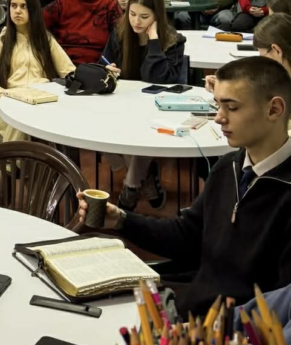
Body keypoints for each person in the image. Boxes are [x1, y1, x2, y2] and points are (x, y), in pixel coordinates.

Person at [76, 57, 291, 316]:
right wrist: (121, 220)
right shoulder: (228, 167)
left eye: (232, 107)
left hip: (235, 339)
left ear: (274, 110)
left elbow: (280, 307)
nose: (219, 118)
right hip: (191, 313)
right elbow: (187, 236)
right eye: (218, 106)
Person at [102, 0, 187, 210]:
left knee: (137, 136)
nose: (136, 21)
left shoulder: (173, 40)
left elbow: (158, 79)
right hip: (121, 103)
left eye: (144, 16)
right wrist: (108, 68)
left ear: (157, 15)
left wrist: (154, 42)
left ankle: (131, 186)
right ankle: (146, 175)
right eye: (132, 14)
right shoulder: (120, 33)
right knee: (98, 130)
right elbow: (105, 62)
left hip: (155, 107)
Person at [0, 0, 74, 141]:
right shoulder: (0, 42)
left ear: (33, 10)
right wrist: (7, 96)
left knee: (37, 118)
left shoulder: (46, 41)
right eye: (13, 6)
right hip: (10, 107)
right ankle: (12, 163)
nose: (17, 11)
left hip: (43, 105)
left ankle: (10, 162)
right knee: (23, 117)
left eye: (23, 6)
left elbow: (69, 73)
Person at [43, 0, 122, 65]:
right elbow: (38, 23)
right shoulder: (62, 3)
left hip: (97, 62)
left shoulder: (109, 3)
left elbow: (120, 33)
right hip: (64, 61)